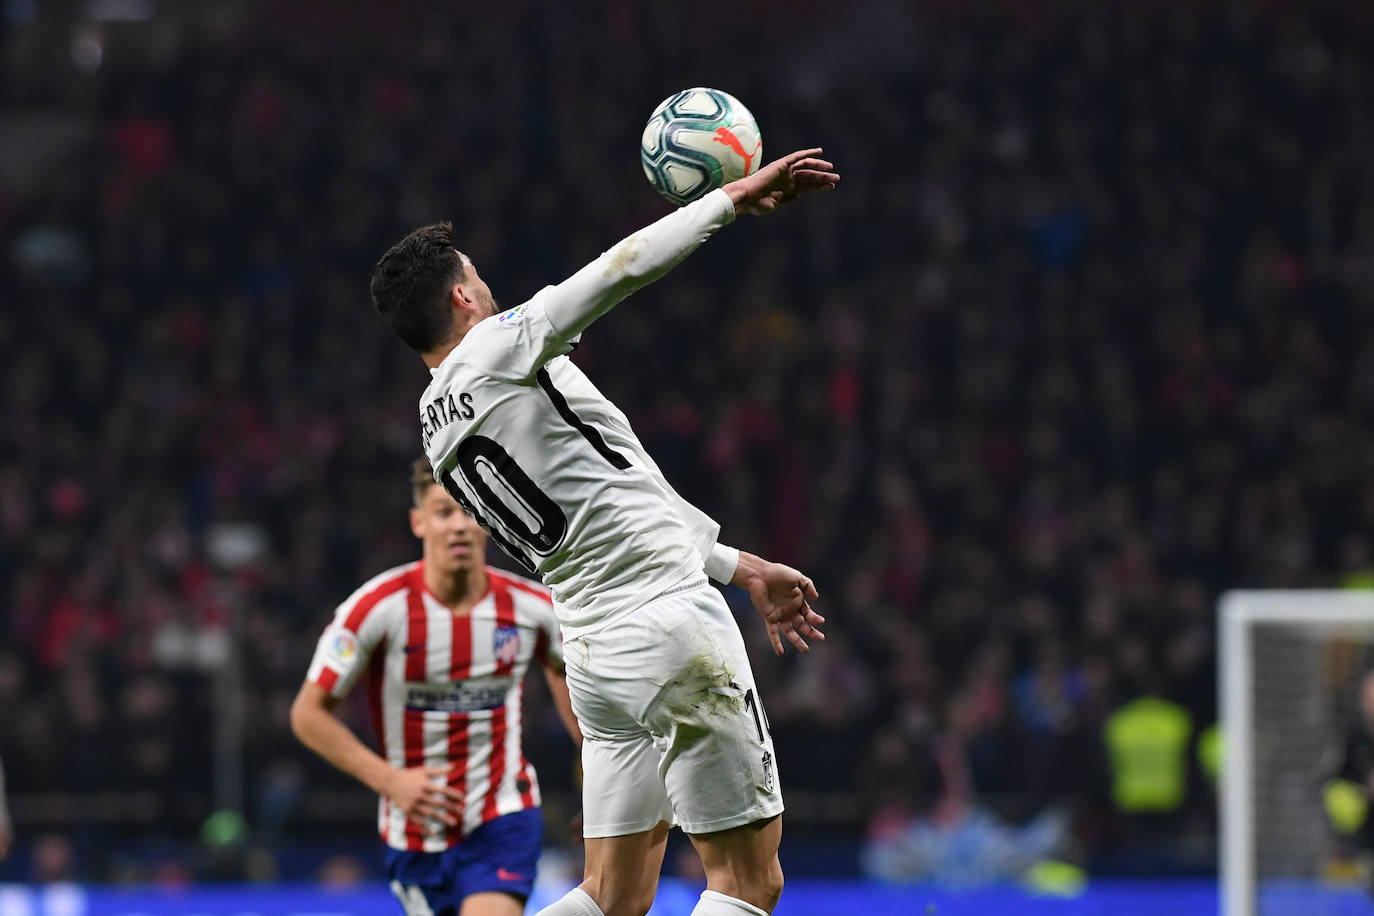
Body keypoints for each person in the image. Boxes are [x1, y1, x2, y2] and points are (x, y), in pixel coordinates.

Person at [368, 148, 838, 916]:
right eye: (480, 278)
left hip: (593, 649)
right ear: (462, 296)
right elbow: (617, 269)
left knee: (612, 895)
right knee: (749, 883)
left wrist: (741, 566)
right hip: (666, 629)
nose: (491, 288)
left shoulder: (433, 427)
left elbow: (614, 492)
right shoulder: (497, 348)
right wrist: (732, 200)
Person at [291, 459, 582, 916]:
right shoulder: (375, 609)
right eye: (444, 512)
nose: (460, 527)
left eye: (471, 511)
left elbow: (580, 696)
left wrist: (601, 790)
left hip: (503, 816)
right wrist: (390, 781)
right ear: (419, 522)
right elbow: (307, 714)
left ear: (490, 520)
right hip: (414, 830)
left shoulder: (533, 609)